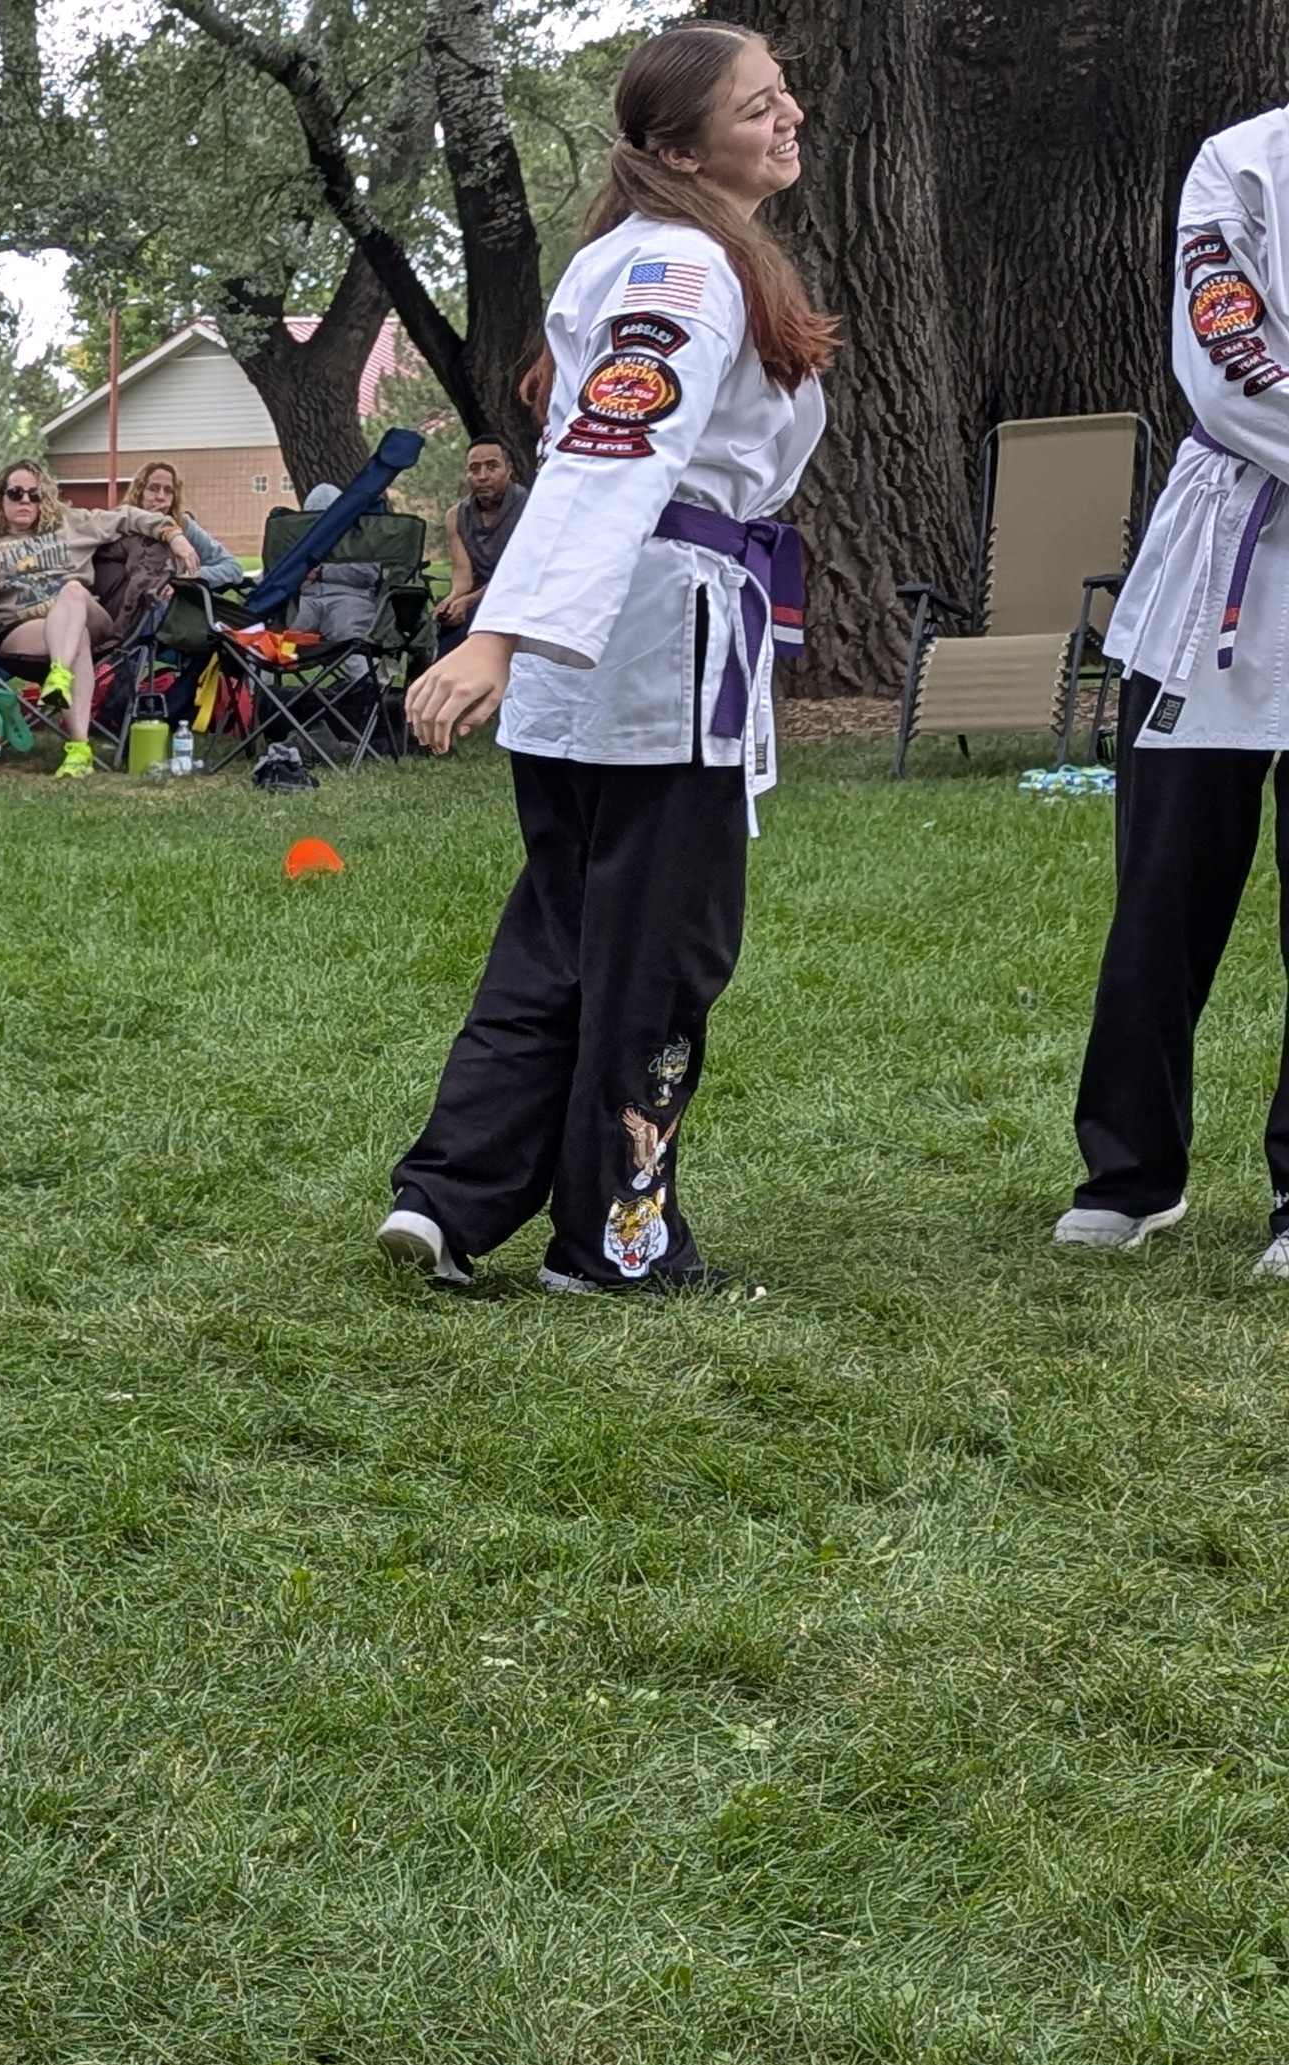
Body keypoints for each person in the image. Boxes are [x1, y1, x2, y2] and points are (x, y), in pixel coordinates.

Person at [376, 24, 827, 1295]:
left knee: (563, 936)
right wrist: (505, 636)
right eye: (756, 107)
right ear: (681, 146)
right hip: (651, 654)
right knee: (658, 953)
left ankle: (451, 1198)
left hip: (606, 652)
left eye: (785, 97)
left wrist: (520, 640)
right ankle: (618, 1243)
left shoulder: (650, 257)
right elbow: (614, 454)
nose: (786, 118)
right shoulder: (681, 269)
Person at [1054, 101, 1289, 1271]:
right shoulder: (1242, 162)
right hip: (1217, 582)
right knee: (1162, 893)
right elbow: (1227, 359)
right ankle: (1132, 1169)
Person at [0, 459, 174, 778]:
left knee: (74, 591)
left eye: (34, 495)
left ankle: (58, 675)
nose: (25, 500)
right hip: (26, 632)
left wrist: (175, 536)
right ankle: (79, 749)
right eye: (16, 493)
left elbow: (130, 516)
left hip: (90, 617)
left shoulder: (72, 523)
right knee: (77, 640)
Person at [433, 439, 529, 639]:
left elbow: (518, 573)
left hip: (522, 593)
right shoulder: (455, 516)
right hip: (480, 592)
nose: (483, 476)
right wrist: (454, 598)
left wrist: (471, 600)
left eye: (492, 466)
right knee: (447, 623)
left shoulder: (529, 509)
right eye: (474, 469)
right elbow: (462, 573)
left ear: (508, 470)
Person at [126, 459, 248, 589]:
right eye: (153, 489)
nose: (161, 496)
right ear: (139, 493)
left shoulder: (184, 525)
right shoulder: (123, 526)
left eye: (168, 490)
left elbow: (233, 568)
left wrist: (191, 578)